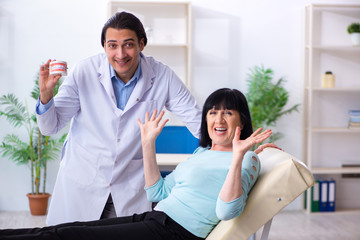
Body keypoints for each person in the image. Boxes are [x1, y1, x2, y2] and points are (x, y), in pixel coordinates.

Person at [0, 88, 272, 240]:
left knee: (68, 237)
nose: (219, 119)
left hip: (176, 233)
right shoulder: (202, 153)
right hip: (156, 218)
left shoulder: (247, 158)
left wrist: (237, 157)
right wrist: (147, 143)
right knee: (62, 230)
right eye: (213, 112)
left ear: (242, 120)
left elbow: (227, 211)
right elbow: (157, 193)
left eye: (228, 112)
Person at [36, 11, 202, 225]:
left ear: (142, 44)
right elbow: (50, 127)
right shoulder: (84, 71)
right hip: (83, 180)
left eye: (129, 44)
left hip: (129, 185)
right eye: (113, 45)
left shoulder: (163, 76)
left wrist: (230, 150)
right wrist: (46, 94)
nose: (121, 54)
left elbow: (197, 120)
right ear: (104, 46)